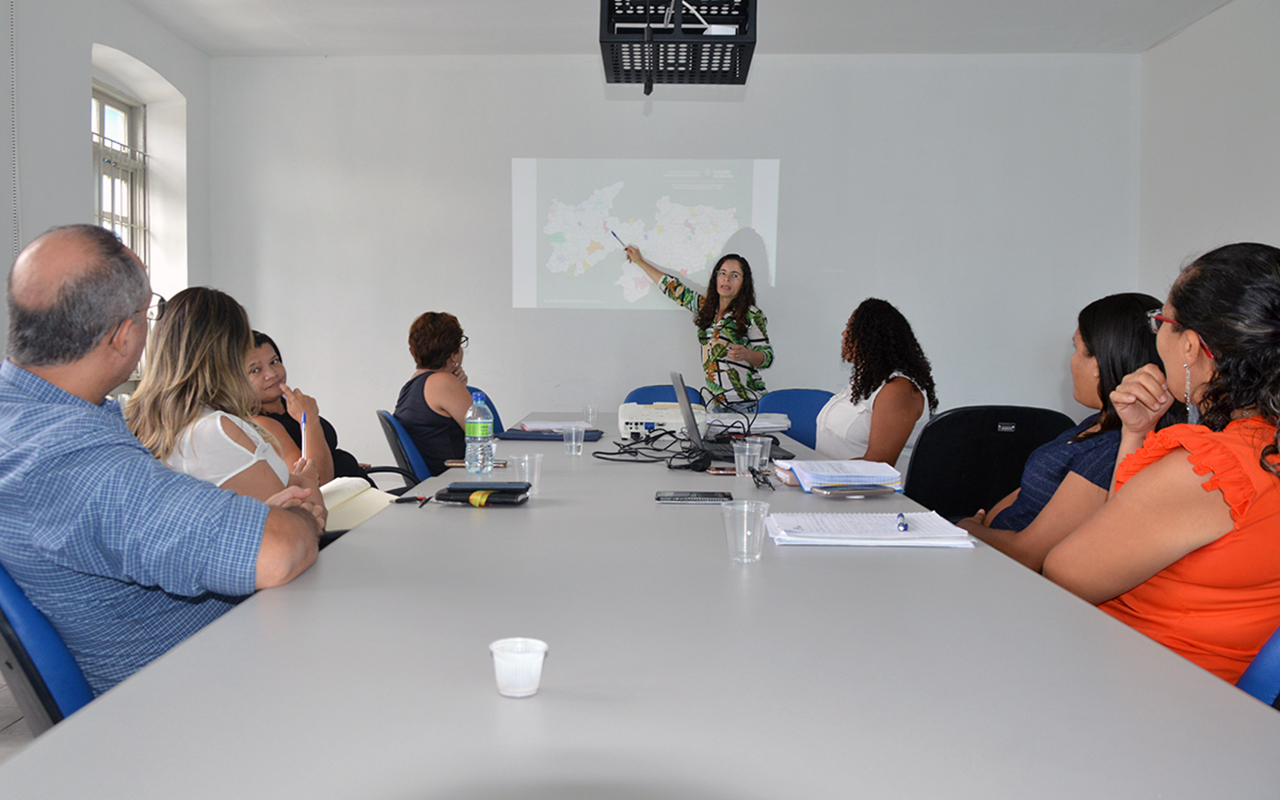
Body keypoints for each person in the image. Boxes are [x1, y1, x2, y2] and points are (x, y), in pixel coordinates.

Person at [0, 225, 322, 696]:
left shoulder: (31, 417)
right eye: (148, 311)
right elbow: (275, 552)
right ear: (124, 337)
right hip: (195, 692)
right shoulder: (78, 462)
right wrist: (295, 516)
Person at [1044, 243, 1280, 684]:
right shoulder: (1264, 450)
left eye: (1162, 322)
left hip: (1147, 687)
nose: (1157, 337)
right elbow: (1122, 537)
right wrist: (1135, 432)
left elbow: (1067, 574)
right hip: (1222, 699)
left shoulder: (1210, 469)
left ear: (1190, 344)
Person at [959, 293, 1180, 570]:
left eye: (1076, 349)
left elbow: (1028, 554)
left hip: (1014, 572)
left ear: (1099, 364)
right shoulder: (1093, 424)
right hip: (988, 550)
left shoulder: (1112, 451)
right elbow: (1025, 493)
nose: (1070, 362)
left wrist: (967, 527)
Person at [126, 288, 323, 509]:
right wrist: (306, 484)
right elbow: (297, 525)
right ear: (225, 354)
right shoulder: (215, 430)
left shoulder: (160, 422)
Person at [625, 246, 772, 409]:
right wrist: (640, 262)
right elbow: (673, 289)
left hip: (748, 404)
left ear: (744, 282)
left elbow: (767, 357)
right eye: (722, 273)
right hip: (718, 405)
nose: (726, 279)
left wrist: (747, 354)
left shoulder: (752, 314)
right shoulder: (706, 308)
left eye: (734, 275)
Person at [814, 298, 938, 473]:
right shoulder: (867, 380)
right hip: (834, 484)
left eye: (850, 328)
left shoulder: (898, 389)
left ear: (871, 338)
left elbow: (878, 464)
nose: (843, 334)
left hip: (872, 494)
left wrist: (816, 471)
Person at [248, 331, 368, 485]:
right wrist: (309, 417)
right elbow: (316, 481)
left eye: (274, 362)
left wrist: (340, 462)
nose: (271, 374)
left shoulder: (289, 405)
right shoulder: (261, 424)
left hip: (355, 489)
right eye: (255, 370)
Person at [394, 311, 471, 475]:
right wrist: (456, 385)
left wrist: (459, 386)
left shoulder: (413, 384)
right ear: (453, 355)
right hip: (455, 479)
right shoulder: (444, 382)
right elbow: (486, 438)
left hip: (436, 480)